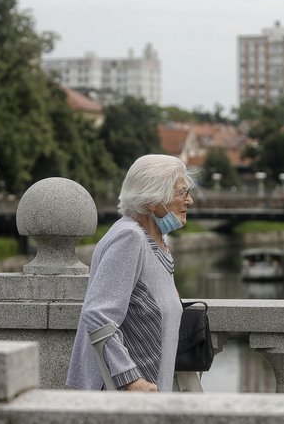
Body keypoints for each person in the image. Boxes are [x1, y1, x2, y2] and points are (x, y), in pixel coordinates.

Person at [67, 154, 195, 392]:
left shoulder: (159, 240)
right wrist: (130, 380)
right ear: (151, 200)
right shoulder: (130, 237)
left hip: (147, 390)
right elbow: (98, 315)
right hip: (123, 393)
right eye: (181, 193)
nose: (189, 200)